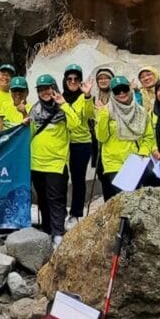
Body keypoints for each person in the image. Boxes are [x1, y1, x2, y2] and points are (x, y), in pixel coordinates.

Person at [28, 74, 81, 246]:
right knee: (42, 199)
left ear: (54, 88)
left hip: (56, 163)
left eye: (48, 88)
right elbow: (29, 134)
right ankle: (47, 230)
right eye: (41, 89)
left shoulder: (63, 110)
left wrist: (63, 104)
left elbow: (75, 124)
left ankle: (58, 234)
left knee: (56, 200)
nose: (45, 92)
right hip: (36, 162)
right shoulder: (34, 111)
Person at [94, 76, 154, 200]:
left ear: (129, 90)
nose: (121, 93)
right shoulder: (106, 111)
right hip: (113, 162)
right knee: (125, 197)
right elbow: (101, 137)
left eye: (124, 89)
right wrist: (103, 115)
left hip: (134, 160)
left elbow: (148, 137)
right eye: (117, 91)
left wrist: (143, 153)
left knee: (132, 199)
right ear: (112, 93)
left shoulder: (141, 112)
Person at [62, 64, 94, 229]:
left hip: (81, 143)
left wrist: (88, 96)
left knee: (78, 179)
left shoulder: (85, 98)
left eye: (76, 79)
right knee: (61, 178)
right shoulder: (60, 97)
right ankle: (60, 212)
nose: (73, 81)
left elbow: (89, 115)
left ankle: (75, 213)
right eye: (70, 79)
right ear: (65, 81)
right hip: (62, 144)